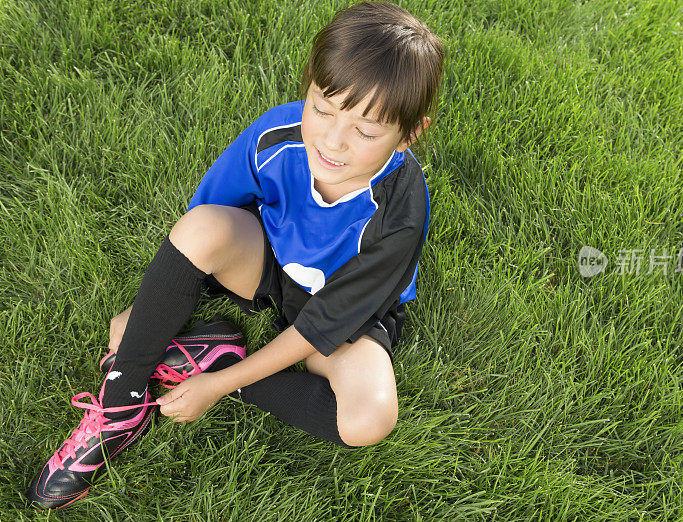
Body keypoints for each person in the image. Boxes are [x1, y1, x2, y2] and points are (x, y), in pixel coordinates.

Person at [27, 1, 445, 510]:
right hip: (271, 267)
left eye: (367, 130)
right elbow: (203, 226)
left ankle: (210, 366)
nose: (334, 140)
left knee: (369, 417)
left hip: (349, 316)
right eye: (323, 108)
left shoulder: (402, 210)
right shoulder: (276, 135)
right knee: (196, 236)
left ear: (410, 134)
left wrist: (219, 385)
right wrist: (154, 312)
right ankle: (120, 406)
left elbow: (321, 327)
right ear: (307, 88)